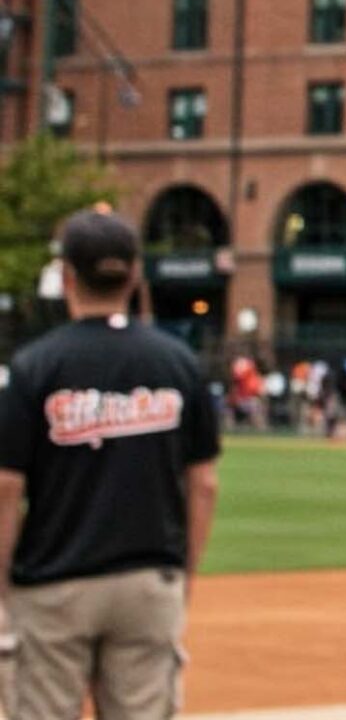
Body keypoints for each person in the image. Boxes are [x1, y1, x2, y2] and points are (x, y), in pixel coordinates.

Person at [0, 212, 223, 720]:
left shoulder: (37, 365)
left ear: (68, 276)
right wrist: (183, 572)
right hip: (149, 578)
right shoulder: (177, 362)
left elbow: (7, 487)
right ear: (135, 276)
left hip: (54, 580)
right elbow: (203, 482)